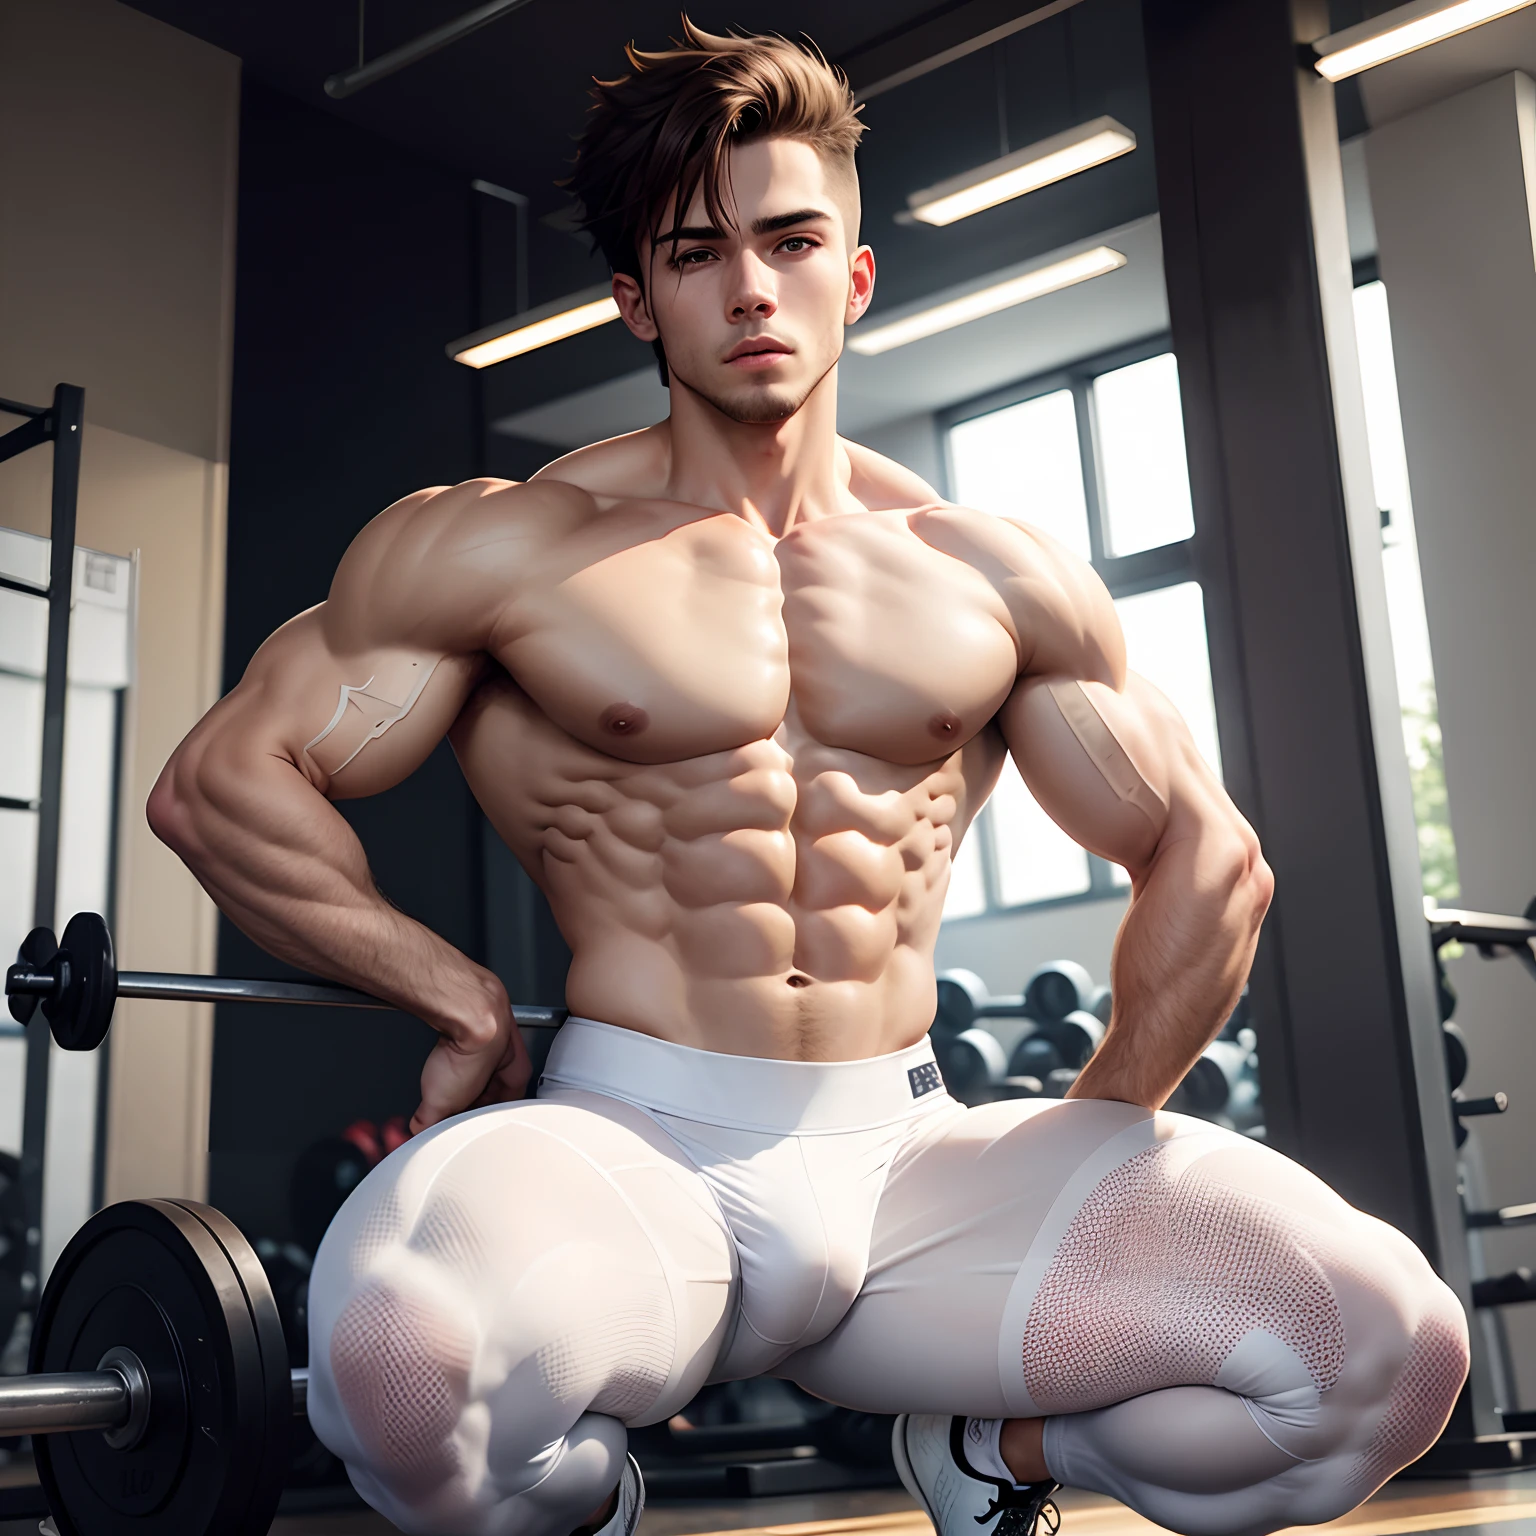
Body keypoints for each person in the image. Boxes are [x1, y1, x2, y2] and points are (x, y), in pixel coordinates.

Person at [148, 21, 1469, 1536]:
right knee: (399, 1373)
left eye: (790, 240)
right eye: (698, 253)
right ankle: (580, 1498)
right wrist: (446, 990)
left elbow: (1210, 861)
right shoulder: (503, 545)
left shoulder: (987, 573)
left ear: (855, 271)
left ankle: (989, 1457)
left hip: (915, 1158)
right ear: (636, 298)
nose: (752, 286)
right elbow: (223, 784)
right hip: (630, 1150)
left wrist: (1087, 1137)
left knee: (1384, 1358)